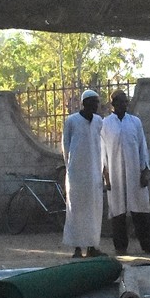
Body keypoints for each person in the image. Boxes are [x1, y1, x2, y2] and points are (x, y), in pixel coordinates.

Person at [100, 90, 150, 255]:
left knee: (140, 209)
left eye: (126, 102)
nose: (124, 105)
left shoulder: (135, 122)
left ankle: (148, 245)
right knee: (118, 211)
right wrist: (105, 175)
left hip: (135, 172)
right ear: (113, 103)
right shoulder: (105, 124)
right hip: (115, 174)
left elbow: (143, 147)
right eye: (121, 102)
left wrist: (145, 170)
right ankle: (120, 247)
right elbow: (102, 152)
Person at [61, 89, 104, 258]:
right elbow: (66, 147)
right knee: (76, 211)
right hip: (77, 175)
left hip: (94, 174)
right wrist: (70, 168)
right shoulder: (71, 121)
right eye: (93, 102)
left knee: (94, 211)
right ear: (84, 103)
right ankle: (77, 248)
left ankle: (93, 246)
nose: (96, 105)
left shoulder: (99, 121)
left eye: (97, 102)